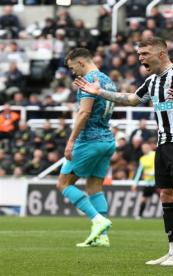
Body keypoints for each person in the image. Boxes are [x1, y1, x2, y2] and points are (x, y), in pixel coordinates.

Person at [73, 36, 173, 267]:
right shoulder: (152, 80)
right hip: (163, 144)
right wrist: (99, 91)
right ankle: (172, 250)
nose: (140, 58)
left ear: (161, 53)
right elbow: (132, 99)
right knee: (166, 195)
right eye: (139, 54)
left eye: (145, 54)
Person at [56, 48, 116, 248]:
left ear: (80, 62)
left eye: (72, 67)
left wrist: (71, 140)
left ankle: (97, 220)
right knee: (94, 187)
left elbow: (84, 113)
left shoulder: (88, 81)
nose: (73, 72)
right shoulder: (108, 81)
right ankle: (102, 237)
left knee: (64, 183)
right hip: (107, 140)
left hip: (88, 140)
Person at [132, 142, 157, 219]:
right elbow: (139, 171)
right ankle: (139, 215)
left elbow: (158, 167)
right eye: (143, 148)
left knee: (165, 196)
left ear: (149, 148)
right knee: (144, 198)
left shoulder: (155, 155)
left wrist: (151, 174)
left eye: (146, 148)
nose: (144, 150)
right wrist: (135, 183)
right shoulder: (142, 159)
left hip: (158, 181)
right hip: (148, 182)